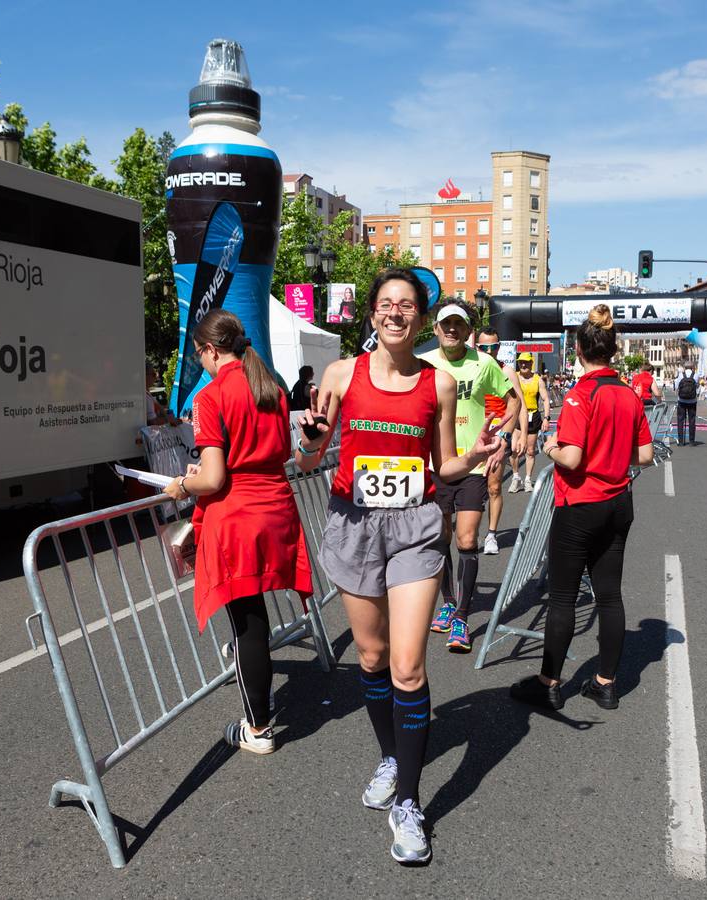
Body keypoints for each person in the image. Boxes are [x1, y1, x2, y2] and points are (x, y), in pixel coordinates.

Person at [297, 269, 504, 865]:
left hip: (414, 527)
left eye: (406, 306)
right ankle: (391, 756)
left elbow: (443, 467)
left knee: (409, 667)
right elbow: (311, 454)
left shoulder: (437, 384)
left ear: (421, 318)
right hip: (354, 525)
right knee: (372, 657)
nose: (395, 313)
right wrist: (310, 438)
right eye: (385, 304)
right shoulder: (341, 374)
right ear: (371, 314)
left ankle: (409, 803)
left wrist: (478, 455)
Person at [160, 310, 313, 755]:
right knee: (254, 618)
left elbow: (212, 479)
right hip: (276, 509)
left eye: (200, 356)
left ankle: (258, 727)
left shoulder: (211, 396)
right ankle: (259, 720)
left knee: (247, 623)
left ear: (209, 350)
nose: (202, 364)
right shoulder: (272, 389)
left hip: (238, 517)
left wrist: (181, 484)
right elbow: (276, 454)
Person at [511, 304, 653, 712]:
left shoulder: (579, 395)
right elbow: (643, 455)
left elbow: (571, 458)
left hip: (579, 505)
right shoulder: (627, 394)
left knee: (563, 598)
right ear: (612, 349)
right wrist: (610, 453)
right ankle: (606, 683)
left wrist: (550, 445)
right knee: (610, 595)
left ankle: (549, 683)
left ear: (578, 348)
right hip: (618, 501)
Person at [419, 301, 521, 653]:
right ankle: (448, 602)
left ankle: (462, 617)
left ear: (467, 331)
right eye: (445, 324)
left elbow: (510, 402)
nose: (451, 330)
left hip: (473, 465)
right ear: (435, 329)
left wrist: (501, 438)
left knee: (466, 539)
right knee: (441, 537)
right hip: (436, 465)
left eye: (457, 325)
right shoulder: (425, 364)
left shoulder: (484, 363)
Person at [476, 327, 529, 556]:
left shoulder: (506, 371)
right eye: (484, 347)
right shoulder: (469, 368)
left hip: (498, 433)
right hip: (471, 432)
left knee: (494, 486)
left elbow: (521, 405)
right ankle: (466, 532)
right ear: (476, 347)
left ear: (499, 347)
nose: (489, 351)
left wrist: (523, 434)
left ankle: (491, 534)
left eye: (494, 347)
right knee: (470, 489)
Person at [508, 352, 549, 492]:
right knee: (514, 449)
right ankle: (515, 477)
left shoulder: (538, 380)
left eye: (526, 362)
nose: (523, 365)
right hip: (517, 416)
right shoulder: (514, 377)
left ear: (531, 363)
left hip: (533, 416)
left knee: (530, 451)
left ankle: (527, 480)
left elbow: (545, 399)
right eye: (520, 362)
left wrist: (546, 418)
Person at [673, 365, 699, 446]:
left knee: (680, 420)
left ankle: (681, 441)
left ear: (685, 368)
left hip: (682, 400)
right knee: (692, 420)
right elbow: (697, 386)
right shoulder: (696, 375)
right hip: (692, 401)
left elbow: (676, 386)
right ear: (692, 367)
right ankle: (692, 441)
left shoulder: (681, 375)